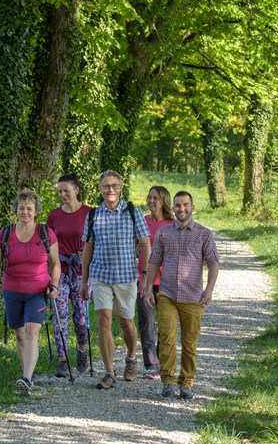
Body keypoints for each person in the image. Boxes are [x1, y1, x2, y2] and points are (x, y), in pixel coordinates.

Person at [144, 191, 219, 400]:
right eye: (178, 205)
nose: (181, 209)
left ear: (192, 208)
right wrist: (148, 287)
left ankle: (186, 382)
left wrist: (209, 289)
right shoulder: (164, 233)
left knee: (189, 342)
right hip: (167, 293)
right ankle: (167, 381)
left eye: (185, 205)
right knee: (166, 337)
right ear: (173, 208)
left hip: (194, 297)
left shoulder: (204, 234)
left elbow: (213, 262)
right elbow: (154, 261)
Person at [0, 189, 61, 394]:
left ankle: (26, 378)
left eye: (29, 209)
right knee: (19, 335)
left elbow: (55, 264)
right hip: (11, 290)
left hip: (38, 291)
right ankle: (26, 372)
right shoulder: (5, 233)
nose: (25, 212)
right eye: (21, 208)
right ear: (16, 210)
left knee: (31, 332)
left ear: (36, 211)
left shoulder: (46, 233)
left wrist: (54, 284)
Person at [80, 170, 151, 390]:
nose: (110, 190)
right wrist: (85, 281)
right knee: (103, 321)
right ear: (100, 189)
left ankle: (131, 357)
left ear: (121, 188)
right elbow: (87, 249)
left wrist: (145, 275)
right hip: (100, 276)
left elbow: (145, 243)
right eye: (106, 186)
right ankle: (109, 372)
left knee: (127, 322)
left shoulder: (132, 212)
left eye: (114, 186)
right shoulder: (93, 215)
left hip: (126, 277)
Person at [47, 173, 92, 378]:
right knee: (60, 317)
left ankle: (82, 348)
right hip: (60, 271)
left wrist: (90, 253)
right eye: (60, 191)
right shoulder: (54, 216)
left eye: (66, 190)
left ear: (77, 189)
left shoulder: (90, 213)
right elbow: (48, 244)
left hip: (82, 273)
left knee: (81, 319)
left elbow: (99, 241)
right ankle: (63, 359)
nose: (63, 194)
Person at [137, 186, 174, 380]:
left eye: (156, 198)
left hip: (167, 281)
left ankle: (162, 360)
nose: (151, 201)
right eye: (149, 197)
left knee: (166, 324)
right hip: (144, 280)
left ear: (164, 201)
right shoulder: (142, 222)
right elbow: (134, 246)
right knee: (146, 322)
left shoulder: (173, 224)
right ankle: (151, 365)